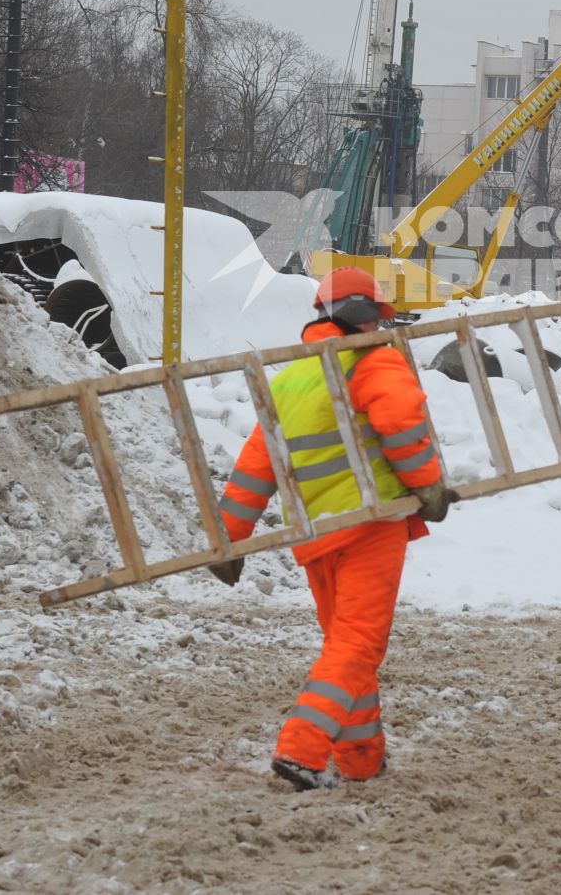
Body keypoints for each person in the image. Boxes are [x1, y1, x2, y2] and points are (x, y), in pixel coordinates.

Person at [211, 267, 454, 791]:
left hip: (315, 537)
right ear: (366, 318)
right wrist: (430, 487)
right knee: (357, 646)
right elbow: (401, 424)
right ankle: (301, 751)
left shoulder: (293, 375)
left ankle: (362, 761)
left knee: (347, 648)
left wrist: (229, 536)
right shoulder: (371, 360)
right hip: (369, 525)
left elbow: (258, 462)